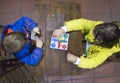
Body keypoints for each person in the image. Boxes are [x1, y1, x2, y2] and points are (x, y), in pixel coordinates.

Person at [53, 18, 120, 69]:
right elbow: (82, 23)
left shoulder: (107, 51)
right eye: (93, 31)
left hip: (87, 51)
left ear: (102, 42)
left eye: (94, 38)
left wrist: (77, 60)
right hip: (82, 40)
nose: (91, 35)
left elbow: (93, 62)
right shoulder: (98, 26)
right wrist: (64, 29)